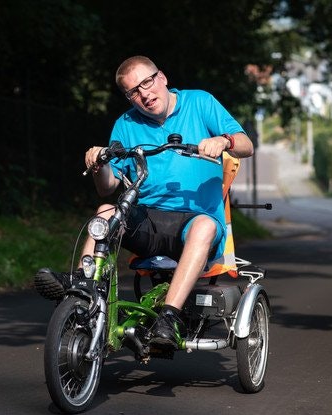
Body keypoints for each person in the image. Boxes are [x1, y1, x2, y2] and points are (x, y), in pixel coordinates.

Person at [35, 55, 254, 346]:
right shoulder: (125, 124)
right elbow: (108, 186)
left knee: (203, 227)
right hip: (148, 220)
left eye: (147, 83)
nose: (144, 95)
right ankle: (81, 286)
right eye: (133, 92)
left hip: (195, 223)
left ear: (161, 77)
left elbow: (247, 145)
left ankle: (169, 317)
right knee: (104, 211)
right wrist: (100, 165)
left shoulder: (200, 103)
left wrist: (224, 141)